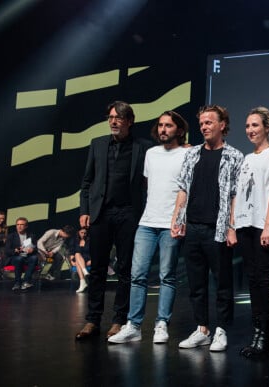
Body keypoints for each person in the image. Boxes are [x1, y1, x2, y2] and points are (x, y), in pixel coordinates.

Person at [108, 111, 190, 344]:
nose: (163, 129)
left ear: (179, 130)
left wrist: (179, 220)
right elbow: (147, 184)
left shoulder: (187, 153)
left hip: (171, 224)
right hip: (146, 222)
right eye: (161, 125)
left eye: (169, 125)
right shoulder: (151, 154)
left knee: (167, 276)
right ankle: (133, 325)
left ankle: (161, 324)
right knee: (137, 275)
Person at [75, 101, 153, 341]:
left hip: (129, 213)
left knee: (125, 269)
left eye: (118, 118)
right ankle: (92, 319)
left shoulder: (144, 148)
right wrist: (84, 210)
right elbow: (87, 183)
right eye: (110, 117)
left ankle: (119, 319)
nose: (113, 121)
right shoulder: (97, 144)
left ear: (129, 121)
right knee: (97, 268)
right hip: (101, 213)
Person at [171, 104, 243, 352]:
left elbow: (236, 195)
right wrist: (176, 218)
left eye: (209, 122)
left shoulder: (234, 156)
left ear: (222, 125)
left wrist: (232, 227)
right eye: (201, 123)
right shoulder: (191, 155)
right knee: (196, 283)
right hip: (192, 227)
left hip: (218, 228)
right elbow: (182, 188)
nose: (204, 127)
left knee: (222, 282)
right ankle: (202, 329)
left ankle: (221, 330)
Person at [230, 107, 269, 359]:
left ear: (267, 127)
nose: (250, 130)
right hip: (243, 226)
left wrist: (267, 225)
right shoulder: (245, 158)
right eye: (247, 126)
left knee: (263, 280)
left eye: (255, 125)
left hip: (262, 226)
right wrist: (231, 226)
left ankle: (264, 335)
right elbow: (236, 194)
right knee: (253, 280)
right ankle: (258, 333)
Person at [4, 217, 39, 290]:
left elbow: (36, 248)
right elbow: (7, 250)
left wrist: (32, 250)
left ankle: (26, 281)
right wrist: (15, 250)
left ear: (26, 226)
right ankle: (17, 283)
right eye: (17, 224)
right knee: (19, 259)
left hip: (27, 256)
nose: (19, 226)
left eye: (22, 225)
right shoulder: (11, 236)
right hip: (15, 256)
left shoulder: (31, 236)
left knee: (34, 258)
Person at [71, 227, 91, 293]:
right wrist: (71, 261)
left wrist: (91, 261)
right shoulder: (75, 240)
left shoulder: (90, 240)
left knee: (77, 261)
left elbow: (94, 252)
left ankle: (82, 283)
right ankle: (84, 271)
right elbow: (72, 252)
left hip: (87, 258)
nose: (83, 234)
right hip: (78, 258)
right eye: (81, 232)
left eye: (85, 233)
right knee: (77, 254)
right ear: (78, 233)